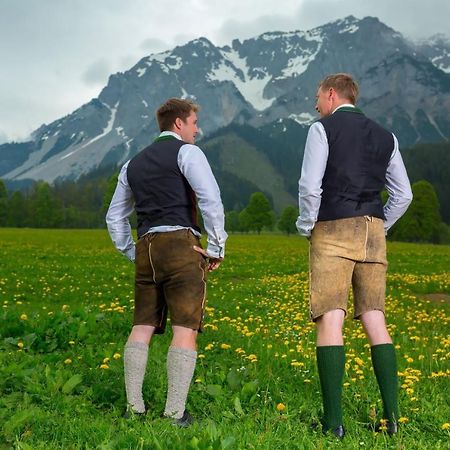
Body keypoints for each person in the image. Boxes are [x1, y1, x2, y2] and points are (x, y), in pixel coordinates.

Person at [296, 73, 413, 439]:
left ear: (332, 94)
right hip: (373, 231)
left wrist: (306, 225)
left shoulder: (322, 130)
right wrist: (380, 225)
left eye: (318, 97)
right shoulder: (387, 136)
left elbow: (309, 185)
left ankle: (334, 426)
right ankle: (393, 421)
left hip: (332, 228)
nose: (316, 104)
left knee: (331, 317)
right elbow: (404, 194)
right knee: (375, 317)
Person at [106, 98, 227, 426]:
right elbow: (210, 199)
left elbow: (114, 216)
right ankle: (174, 413)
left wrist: (133, 251)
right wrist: (216, 247)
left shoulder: (132, 164)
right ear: (178, 124)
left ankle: (134, 408)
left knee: (142, 325)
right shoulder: (188, 153)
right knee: (186, 328)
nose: (196, 129)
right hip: (181, 245)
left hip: (146, 246)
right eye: (193, 123)